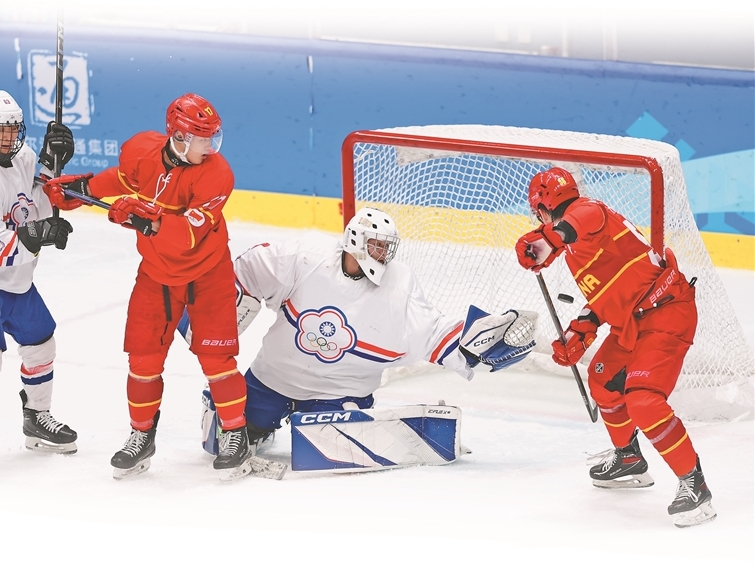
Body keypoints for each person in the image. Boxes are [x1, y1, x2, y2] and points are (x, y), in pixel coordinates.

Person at [197, 207, 536, 458]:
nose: (383, 255)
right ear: (354, 241)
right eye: (377, 246)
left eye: (387, 248)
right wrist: (218, 303)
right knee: (216, 442)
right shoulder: (306, 257)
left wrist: (473, 346)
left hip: (338, 393)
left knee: (332, 449)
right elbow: (247, 271)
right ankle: (261, 423)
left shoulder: (398, 284)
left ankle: (346, 422)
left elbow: (432, 331)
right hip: (273, 379)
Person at [43, 93, 251, 481]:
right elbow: (121, 179)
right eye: (202, 138)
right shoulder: (143, 151)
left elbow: (188, 235)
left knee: (217, 360)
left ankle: (235, 433)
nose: (210, 146)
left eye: (212, 137)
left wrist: (145, 218)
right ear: (179, 137)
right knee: (142, 360)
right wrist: (82, 190)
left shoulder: (217, 174)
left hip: (208, 275)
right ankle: (142, 436)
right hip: (156, 274)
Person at [515, 166, 716, 528]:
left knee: (643, 400)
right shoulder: (576, 251)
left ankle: (694, 484)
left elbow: (578, 221)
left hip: (666, 313)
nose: (539, 219)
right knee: (602, 379)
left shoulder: (590, 211)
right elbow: (609, 293)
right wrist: (581, 330)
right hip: (634, 321)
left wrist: (548, 239)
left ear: (545, 207)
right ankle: (629, 459)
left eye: (539, 213)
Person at [0, 90, 77, 454]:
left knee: (41, 343)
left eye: (13, 129)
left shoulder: (23, 158)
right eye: (1, 130)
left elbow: (34, 207)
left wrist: (51, 166)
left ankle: (37, 417)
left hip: (18, 284)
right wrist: (35, 235)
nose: (8, 137)